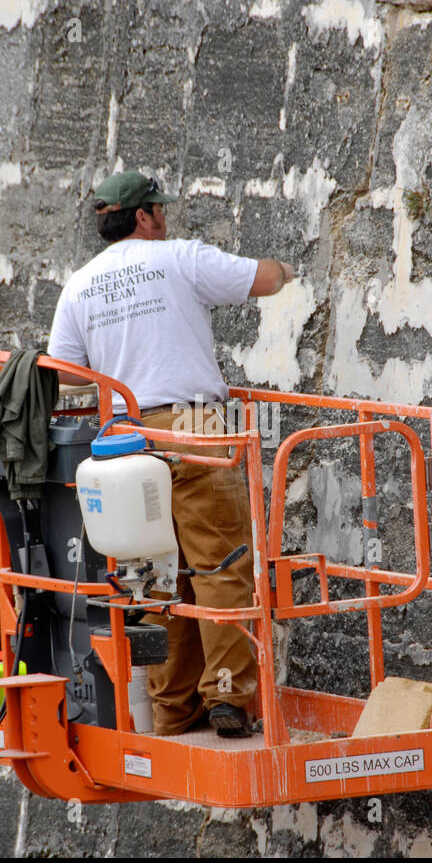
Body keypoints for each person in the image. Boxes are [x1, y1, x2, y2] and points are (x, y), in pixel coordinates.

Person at [47, 170, 295, 737]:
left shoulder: (80, 285)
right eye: (160, 207)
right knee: (219, 566)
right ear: (143, 216)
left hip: (125, 444)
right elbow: (262, 280)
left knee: (157, 579)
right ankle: (228, 698)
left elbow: (65, 379)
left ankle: (173, 710)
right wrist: (286, 270)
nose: (166, 217)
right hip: (191, 427)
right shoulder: (179, 258)